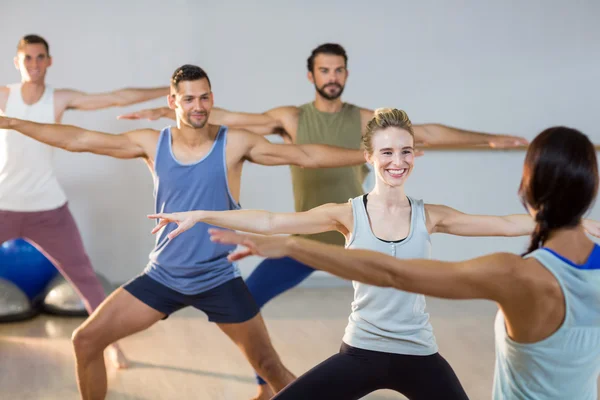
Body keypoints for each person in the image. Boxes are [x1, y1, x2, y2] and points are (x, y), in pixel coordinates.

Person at [121, 43, 530, 393]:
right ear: (311, 75)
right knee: (249, 300)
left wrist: (486, 138)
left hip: (367, 238)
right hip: (320, 233)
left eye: (338, 70)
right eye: (324, 70)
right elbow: (225, 121)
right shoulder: (292, 118)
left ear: (346, 74)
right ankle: (269, 383)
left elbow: (430, 133)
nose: (332, 77)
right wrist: (171, 109)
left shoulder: (366, 120)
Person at [150, 108, 588, 399]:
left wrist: (578, 224)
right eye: (386, 152)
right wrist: (203, 213)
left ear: (415, 154)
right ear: (368, 157)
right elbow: (269, 221)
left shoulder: (430, 215)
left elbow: (506, 223)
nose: (397, 161)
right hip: (360, 349)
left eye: (405, 151)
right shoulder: (346, 214)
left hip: (419, 353)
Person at [0, 63, 373, 400]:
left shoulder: (235, 143)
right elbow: (78, 140)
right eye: (190, 98)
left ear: (213, 98)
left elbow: (305, 155)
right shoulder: (151, 143)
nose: (199, 105)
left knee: (270, 367)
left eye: (205, 96)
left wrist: (369, 155)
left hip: (218, 278)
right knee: (85, 341)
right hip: (164, 275)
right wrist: (14, 123)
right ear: (172, 102)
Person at [0, 34, 170, 369]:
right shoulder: (4, 96)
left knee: (85, 279)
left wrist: (168, 89)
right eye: (28, 58)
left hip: (48, 208)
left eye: (40, 57)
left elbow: (116, 97)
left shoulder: (58, 99)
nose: (34, 64)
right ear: (17, 62)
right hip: (4, 204)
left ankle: (112, 346)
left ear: (49, 61)